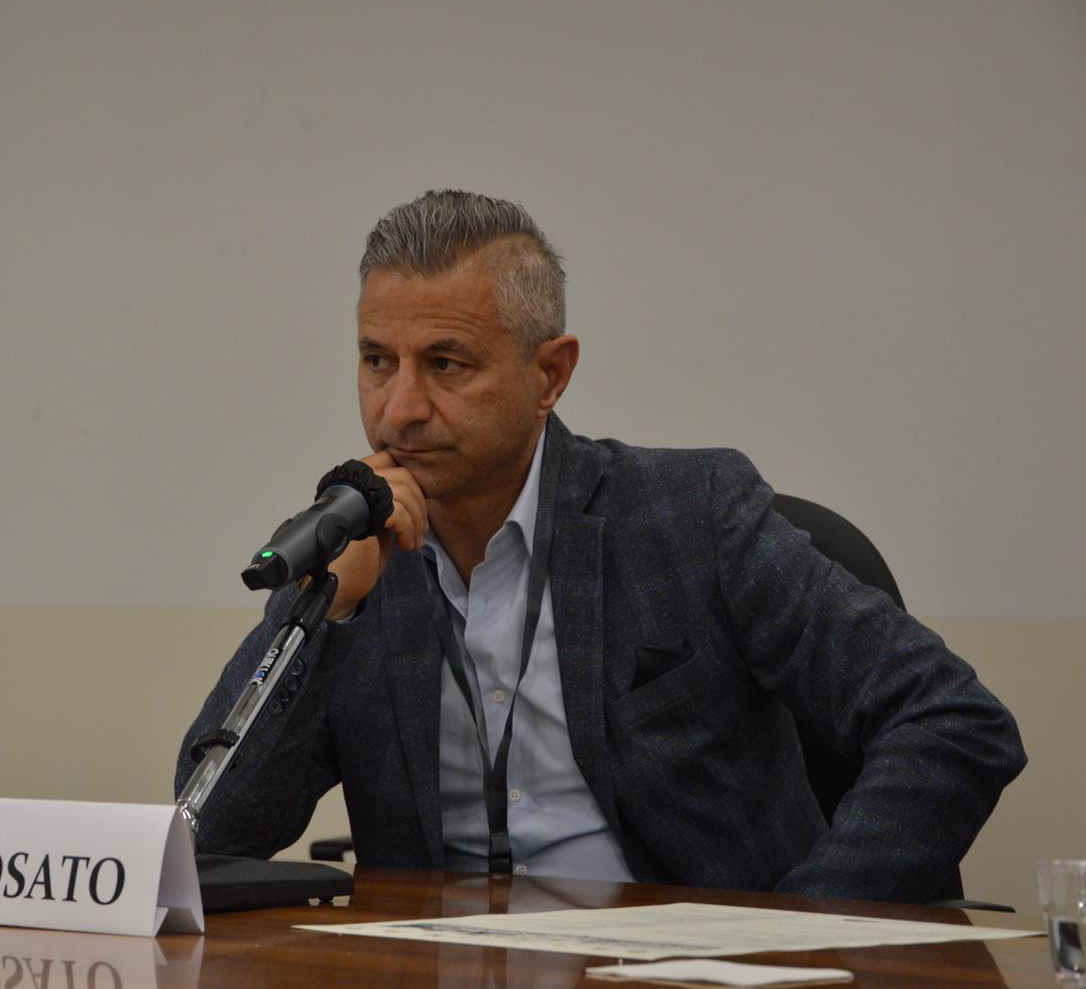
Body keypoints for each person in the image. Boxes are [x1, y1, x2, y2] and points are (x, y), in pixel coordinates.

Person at [175, 189, 1025, 902]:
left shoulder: (691, 516)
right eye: (376, 361)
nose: (399, 408)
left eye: (446, 363)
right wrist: (328, 612)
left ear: (550, 374)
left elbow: (952, 719)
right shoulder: (359, 552)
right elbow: (206, 833)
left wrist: (805, 929)